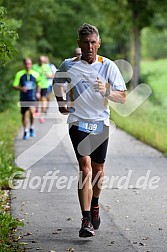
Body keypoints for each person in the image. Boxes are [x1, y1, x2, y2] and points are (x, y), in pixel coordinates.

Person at [53, 23, 126, 238]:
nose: (90, 46)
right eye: (86, 43)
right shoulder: (68, 65)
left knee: (98, 169)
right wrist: (60, 102)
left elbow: (122, 97)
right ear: (79, 44)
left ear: (99, 43)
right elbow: (57, 82)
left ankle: (95, 204)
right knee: (84, 167)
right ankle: (86, 219)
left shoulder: (108, 66)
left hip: (100, 122)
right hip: (78, 121)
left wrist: (106, 91)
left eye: (93, 42)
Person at [13, 58, 41, 140]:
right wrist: (21, 88)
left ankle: (31, 127)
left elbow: (39, 84)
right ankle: (25, 130)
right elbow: (14, 86)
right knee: (24, 114)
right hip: (23, 97)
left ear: (31, 64)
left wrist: (38, 92)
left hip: (32, 97)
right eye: (26, 64)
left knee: (32, 112)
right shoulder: (19, 74)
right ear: (24, 64)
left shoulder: (36, 73)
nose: (28, 65)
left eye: (29, 64)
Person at [33, 56, 53, 123]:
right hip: (35, 86)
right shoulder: (34, 67)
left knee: (43, 99)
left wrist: (47, 75)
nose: (41, 62)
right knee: (37, 99)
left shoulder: (46, 67)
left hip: (44, 86)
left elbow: (52, 75)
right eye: (40, 61)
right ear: (38, 61)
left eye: (43, 61)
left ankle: (42, 116)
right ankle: (37, 110)